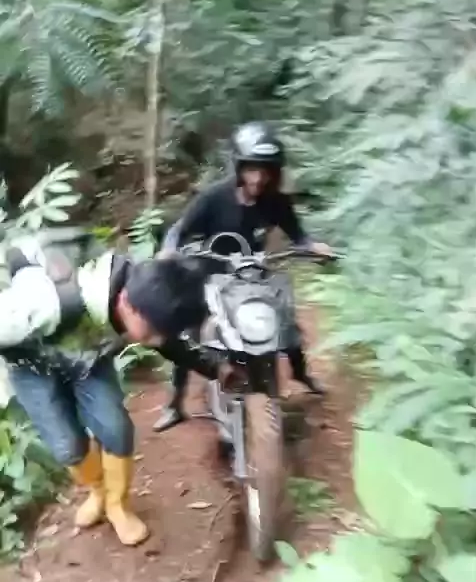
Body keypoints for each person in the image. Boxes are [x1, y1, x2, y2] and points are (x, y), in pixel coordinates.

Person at [0, 238, 223, 546]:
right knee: (67, 447)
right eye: (153, 333)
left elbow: (171, 343)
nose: (157, 340)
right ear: (126, 304)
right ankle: (98, 491)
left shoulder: (145, 292)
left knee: (115, 428)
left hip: (87, 357)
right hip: (32, 366)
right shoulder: (34, 308)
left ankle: (117, 505)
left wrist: (218, 369)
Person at [153, 121, 335, 433]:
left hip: (254, 273)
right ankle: (175, 403)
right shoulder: (213, 197)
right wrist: (169, 250)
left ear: (275, 172)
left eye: (267, 170)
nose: (259, 178)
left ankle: (299, 372)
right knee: (187, 331)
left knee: (284, 319)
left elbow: (298, 235)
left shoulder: (277, 201)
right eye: (252, 169)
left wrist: (312, 246)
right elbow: (179, 230)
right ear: (238, 167)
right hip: (212, 271)